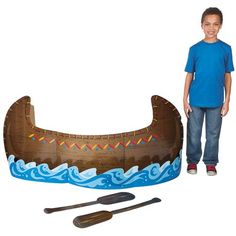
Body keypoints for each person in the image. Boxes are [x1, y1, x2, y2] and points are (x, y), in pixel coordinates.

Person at [183, 7, 234, 176]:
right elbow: (190, 75)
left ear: (220, 26)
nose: (211, 28)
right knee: (194, 134)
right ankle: (192, 161)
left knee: (213, 135)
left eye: (215, 24)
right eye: (207, 24)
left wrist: (227, 101)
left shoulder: (226, 49)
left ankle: (211, 162)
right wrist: (185, 99)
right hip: (196, 100)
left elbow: (228, 76)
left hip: (216, 101)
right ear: (201, 25)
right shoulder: (194, 49)